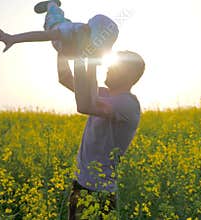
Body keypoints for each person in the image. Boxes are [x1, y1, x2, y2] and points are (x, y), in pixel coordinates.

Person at [58, 50, 145, 219]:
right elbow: (65, 78)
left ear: (128, 75)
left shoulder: (128, 104)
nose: (108, 67)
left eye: (115, 66)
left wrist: (88, 61)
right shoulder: (103, 94)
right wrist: (64, 49)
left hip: (99, 192)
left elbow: (84, 105)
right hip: (81, 185)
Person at [0, 0, 118, 59]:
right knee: (55, 13)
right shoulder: (75, 32)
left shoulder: (96, 50)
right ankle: (51, 4)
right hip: (56, 25)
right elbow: (43, 36)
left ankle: (53, 5)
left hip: (66, 38)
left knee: (62, 20)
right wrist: (14, 38)